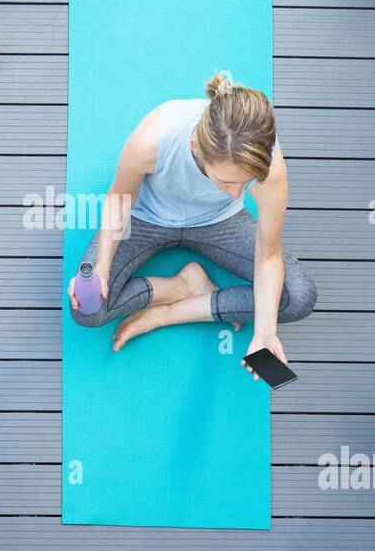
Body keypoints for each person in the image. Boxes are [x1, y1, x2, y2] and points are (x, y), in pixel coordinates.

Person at [68, 72, 317, 377]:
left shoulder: (267, 163)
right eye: (226, 181)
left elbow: (268, 254)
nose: (239, 193)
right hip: (146, 218)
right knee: (87, 309)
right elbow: (119, 200)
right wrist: (103, 269)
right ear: (196, 147)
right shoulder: (154, 138)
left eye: (246, 182)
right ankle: (176, 286)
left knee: (299, 297)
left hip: (220, 223)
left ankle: (172, 311)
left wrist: (264, 333)